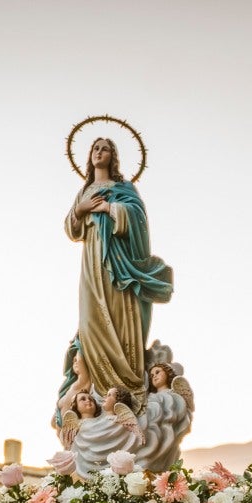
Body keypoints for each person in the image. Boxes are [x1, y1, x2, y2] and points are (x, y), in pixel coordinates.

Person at [57, 136, 174, 407]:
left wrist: (110, 208)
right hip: (92, 264)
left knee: (121, 317)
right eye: (95, 148)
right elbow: (71, 228)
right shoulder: (84, 191)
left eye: (105, 148)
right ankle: (97, 392)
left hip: (119, 265)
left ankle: (127, 390)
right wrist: (81, 209)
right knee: (91, 322)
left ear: (114, 156)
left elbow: (138, 217)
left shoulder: (123, 187)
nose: (99, 152)